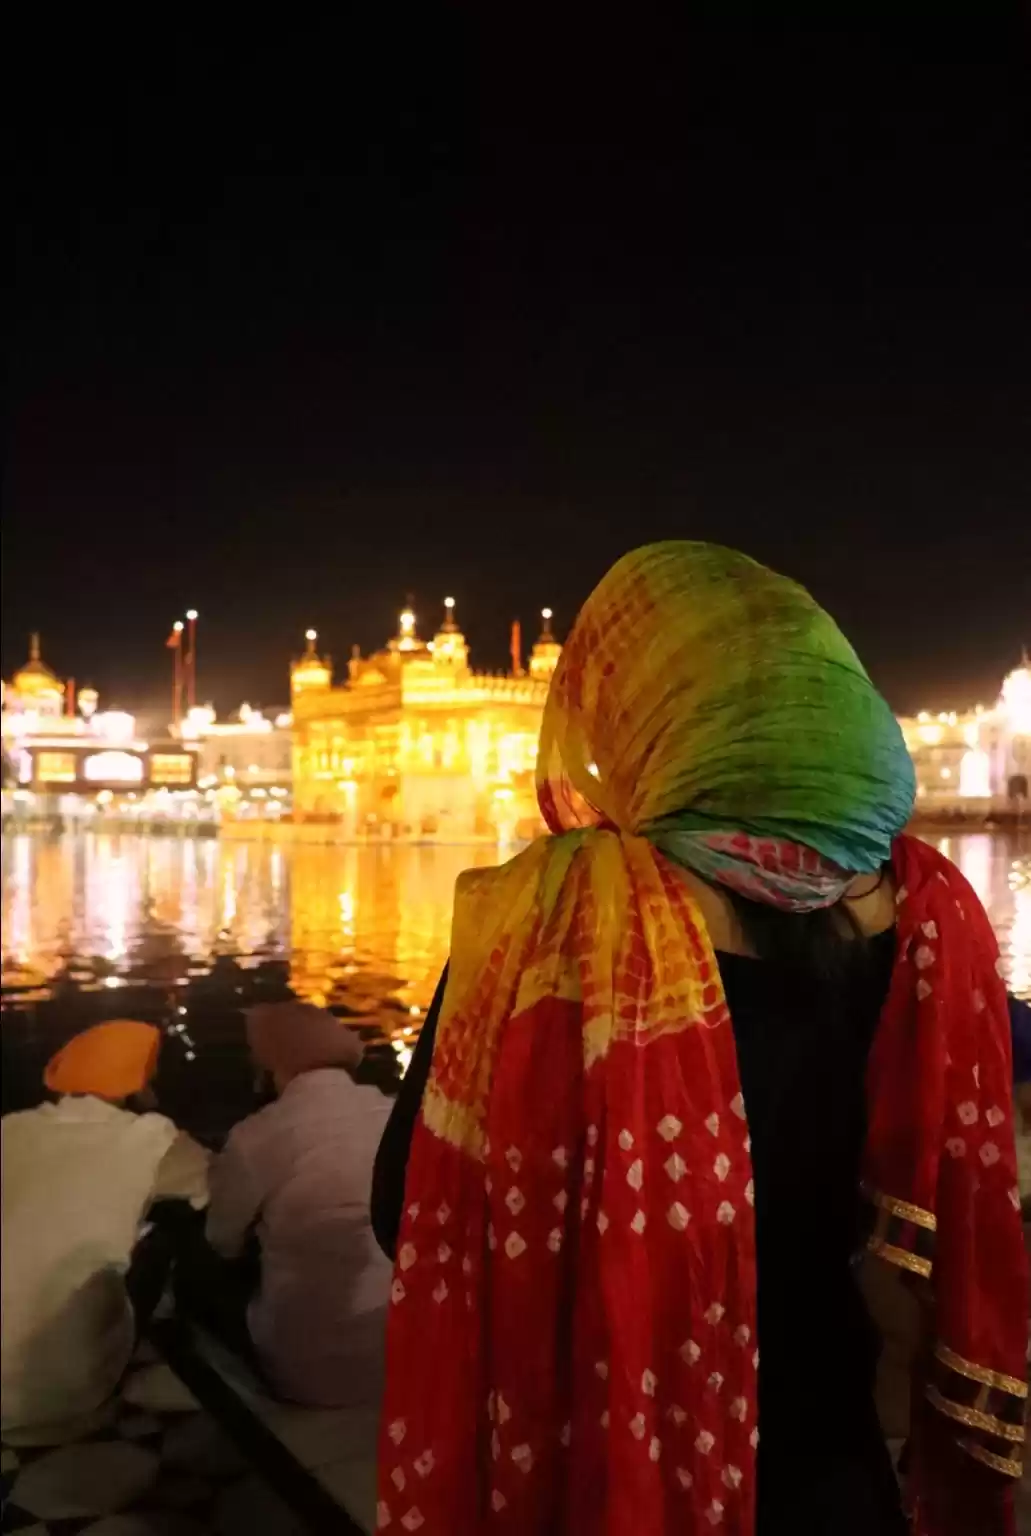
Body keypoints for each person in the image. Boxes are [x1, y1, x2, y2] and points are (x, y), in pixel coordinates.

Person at [371, 542, 1026, 1536]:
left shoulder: (550, 924)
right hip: (832, 1465)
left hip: (594, 1463)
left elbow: (403, 1210)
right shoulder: (930, 917)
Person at [178, 1000, 392, 1407]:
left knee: (197, 1260)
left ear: (269, 1064)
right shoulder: (396, 1114)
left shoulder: (257, 1135)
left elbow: (222, 1241)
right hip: (400, 1355)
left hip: (305, 1371)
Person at [1, 1019, 209, 1437]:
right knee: (162, 1232)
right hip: (63, 1391)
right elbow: (211, 1186)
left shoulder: (10, 1128)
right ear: (139, 1082)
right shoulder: (152, 1137)